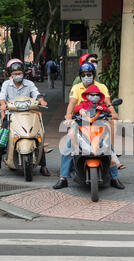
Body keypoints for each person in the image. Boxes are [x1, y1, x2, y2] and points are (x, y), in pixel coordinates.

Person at [53, 62, 124, 190]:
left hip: (99, 122)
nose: (87, 77)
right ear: (80, 76)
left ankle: (114, 177)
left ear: (93, 75)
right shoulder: (76, 88)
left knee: (107, 146)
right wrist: (68, 116)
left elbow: (107, 103)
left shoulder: (101, 87)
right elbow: (72, 104)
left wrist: (113, 113)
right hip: (80, 122)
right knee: (67, 144)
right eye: (84, 75)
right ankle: (63, 178)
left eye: (89, 74)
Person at [0, 58, 50, 178]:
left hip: (29, 114)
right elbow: (2, 97)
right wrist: (3, 104)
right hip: (10, 114)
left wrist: (41, 101)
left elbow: (36, 94)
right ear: (11, 74)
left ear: (23, 72)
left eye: (19, 73)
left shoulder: (29, 84)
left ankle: (43, 166)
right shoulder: (6, 84)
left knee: (38, 136)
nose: (17, 76)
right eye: (15, 74)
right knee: (2, 138)